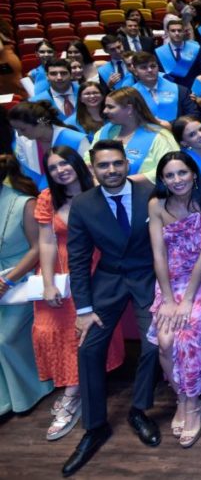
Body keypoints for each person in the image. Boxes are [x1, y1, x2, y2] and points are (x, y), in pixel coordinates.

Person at [62, 140, 161, 476]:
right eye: (104, 166)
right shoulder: (83, 204)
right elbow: (77, 259)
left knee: (152, 343)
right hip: (107, 282)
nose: (112, 170)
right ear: (93, 168)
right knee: (89, 350)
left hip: (147, 277)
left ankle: (139, 409)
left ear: (127, 164)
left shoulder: (149, 192)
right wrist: (84, 309)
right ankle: (95, 426)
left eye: (117, 163)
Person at [33, 146, 126, 441]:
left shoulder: (99, 190)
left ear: (79, 164)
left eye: (65, 163)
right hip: (57, 271)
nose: (61, 170)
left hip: (94, 268)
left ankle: (73, 395)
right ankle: (73, 388)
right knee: (49, 331)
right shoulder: (47, 198)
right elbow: (46, 243)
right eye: (54, 167)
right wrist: (48, 282)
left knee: (81, 333)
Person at [147, 152, 201, 448]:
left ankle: (192, 403)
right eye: (170, 175)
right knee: (165, 340)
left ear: (194, 174)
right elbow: (158, 254)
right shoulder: (156, 204)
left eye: (182, 173)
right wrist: (167, 298)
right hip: (171, 276)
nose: (177, 180)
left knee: (189, 330)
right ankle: (181, 395)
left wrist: (187, 300)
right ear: (162, 179)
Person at [0, 155, 51, 418]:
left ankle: (31, 390)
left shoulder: (23, 203)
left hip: (20, 281)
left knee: (4, 340)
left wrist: (6, 280)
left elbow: (37, 249)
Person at [89, 88, 179, 183]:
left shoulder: (160, 136)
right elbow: (88, 159)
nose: (105, 111)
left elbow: (171, 167)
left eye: (110, 107)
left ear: (129, 109)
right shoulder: (105, 131)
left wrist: (125, 181)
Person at [8, 101, 90, 191]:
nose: (19, 134)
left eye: (22, 129)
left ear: (41, 123)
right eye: (16, 130)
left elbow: (89, 173)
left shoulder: (76, 139)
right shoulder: (22, 141)